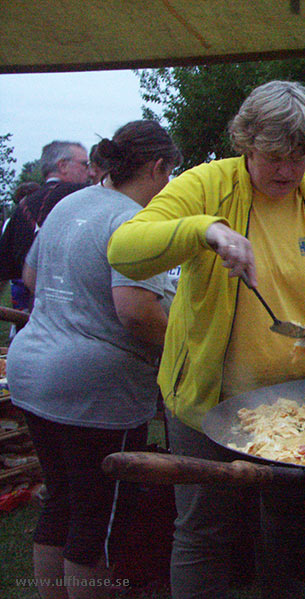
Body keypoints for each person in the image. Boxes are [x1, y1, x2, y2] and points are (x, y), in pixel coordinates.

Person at [107, 80, 305, 599]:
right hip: (206, 403)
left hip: (298, 404)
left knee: (286, 531)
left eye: (301, 157)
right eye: (274, 157)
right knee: (204, 529)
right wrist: (206, 231)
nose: (288, 171)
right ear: (245, 142)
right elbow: (124, 249)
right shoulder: (207, 184)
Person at [6, 120, 179, 598]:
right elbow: (137, 314)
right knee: (98, 521)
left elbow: (31, 276)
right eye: (170, 174)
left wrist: (75, 311)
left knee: (61, 502)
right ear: (158, 166)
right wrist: (183, 350)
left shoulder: (70, 203)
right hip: (94, 389)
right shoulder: (132, 220)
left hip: (33, 369)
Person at [0, 141, 90, 311]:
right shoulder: (86, 196)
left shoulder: (23, 206)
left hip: (32, 318)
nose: (90, 171)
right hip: (79, 316)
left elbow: (3, 269)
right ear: (63, 165)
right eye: (85, 164)